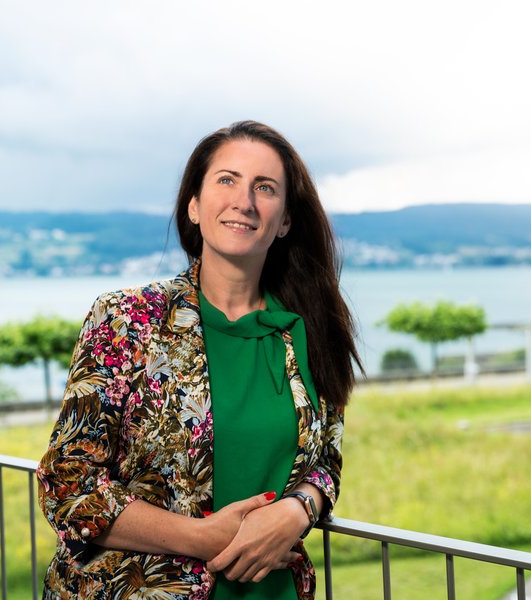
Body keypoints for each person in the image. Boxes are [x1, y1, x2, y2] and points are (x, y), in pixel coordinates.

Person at [37, 120, 361, 599]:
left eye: (265, 187)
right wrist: (201, 538)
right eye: (227, 180)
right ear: (193, 205)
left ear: (285, 221)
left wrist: (298, 510)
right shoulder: (126, 320)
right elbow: (67, 484)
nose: (244, 201)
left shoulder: (307, 331)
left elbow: (325, 464)